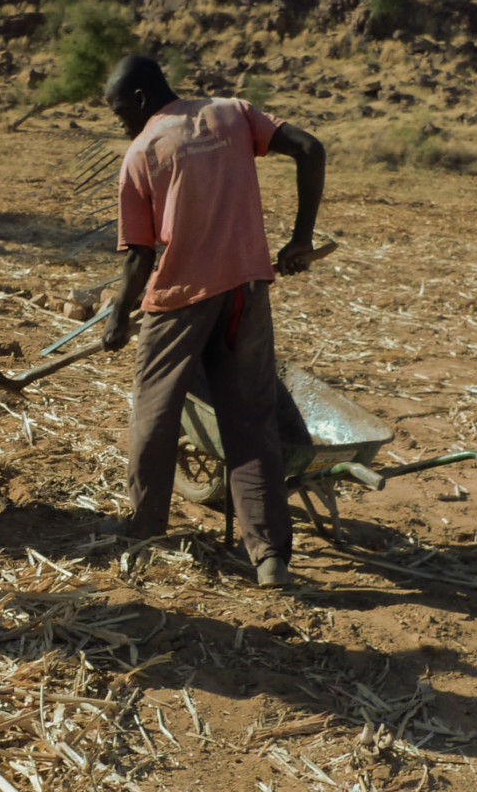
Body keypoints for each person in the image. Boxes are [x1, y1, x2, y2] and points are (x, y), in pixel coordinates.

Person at [100, 54, 326, 587]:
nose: (122, 124)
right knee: (251, 420)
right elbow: (310, 148)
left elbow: (139, 258)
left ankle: (143, 529)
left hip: (179, 298)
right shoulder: (232, 113)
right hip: (247, 290)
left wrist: (118, 317)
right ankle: (270, 556)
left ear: (140, 99)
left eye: (120, 113)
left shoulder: (141, 152)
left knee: (154, 415)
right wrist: (301, 238)